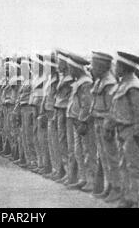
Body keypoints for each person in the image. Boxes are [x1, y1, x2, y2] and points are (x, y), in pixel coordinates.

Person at [104, 52, 139, 208]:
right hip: (122, 130)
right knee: (126, 165)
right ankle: (130, 198)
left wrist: (138, 134)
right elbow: (115, 109)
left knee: (137, 169)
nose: (116, 68)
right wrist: (110, 125)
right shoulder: (123, 84)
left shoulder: (134, 86)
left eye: (118, 65)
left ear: (126, 67)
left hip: (133, 132)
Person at [90, 52, 120, 200]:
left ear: (102, 66)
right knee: (103, 157)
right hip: (98, 122)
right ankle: (110, 186)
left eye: (94, 65)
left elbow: (113, 108)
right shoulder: (99, 81)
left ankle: (116, 188)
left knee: (112, 157)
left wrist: (109, 126)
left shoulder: (109, 83)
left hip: (106, 124)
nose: (92, 68)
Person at [64, 53, 96, 192]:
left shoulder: (86, 82)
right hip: (76, 121)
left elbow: (87, 104)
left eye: (70, 67)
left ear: (76, 68)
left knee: (89, 151)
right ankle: (83, 179)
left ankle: (92, 181)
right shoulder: (79, 81)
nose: (69, 70)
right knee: (79, 151)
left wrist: (82, 121)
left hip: (83, 123)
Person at [54, 50, 75, 185]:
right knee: (61, 140)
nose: (57, 65)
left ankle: (71, 173)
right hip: (60, 110)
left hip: (67, 111)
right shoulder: (62, 78)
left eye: (59, 62)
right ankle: (65, 170)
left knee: (69, 142)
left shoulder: (70, 79)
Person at [41, 53, 61, 180]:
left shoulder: (57, 79)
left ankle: (58, 170)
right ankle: (54, 168)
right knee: (51, 142)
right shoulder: (49, 79)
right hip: (48, 113)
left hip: (54, 113)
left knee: (56, 143)